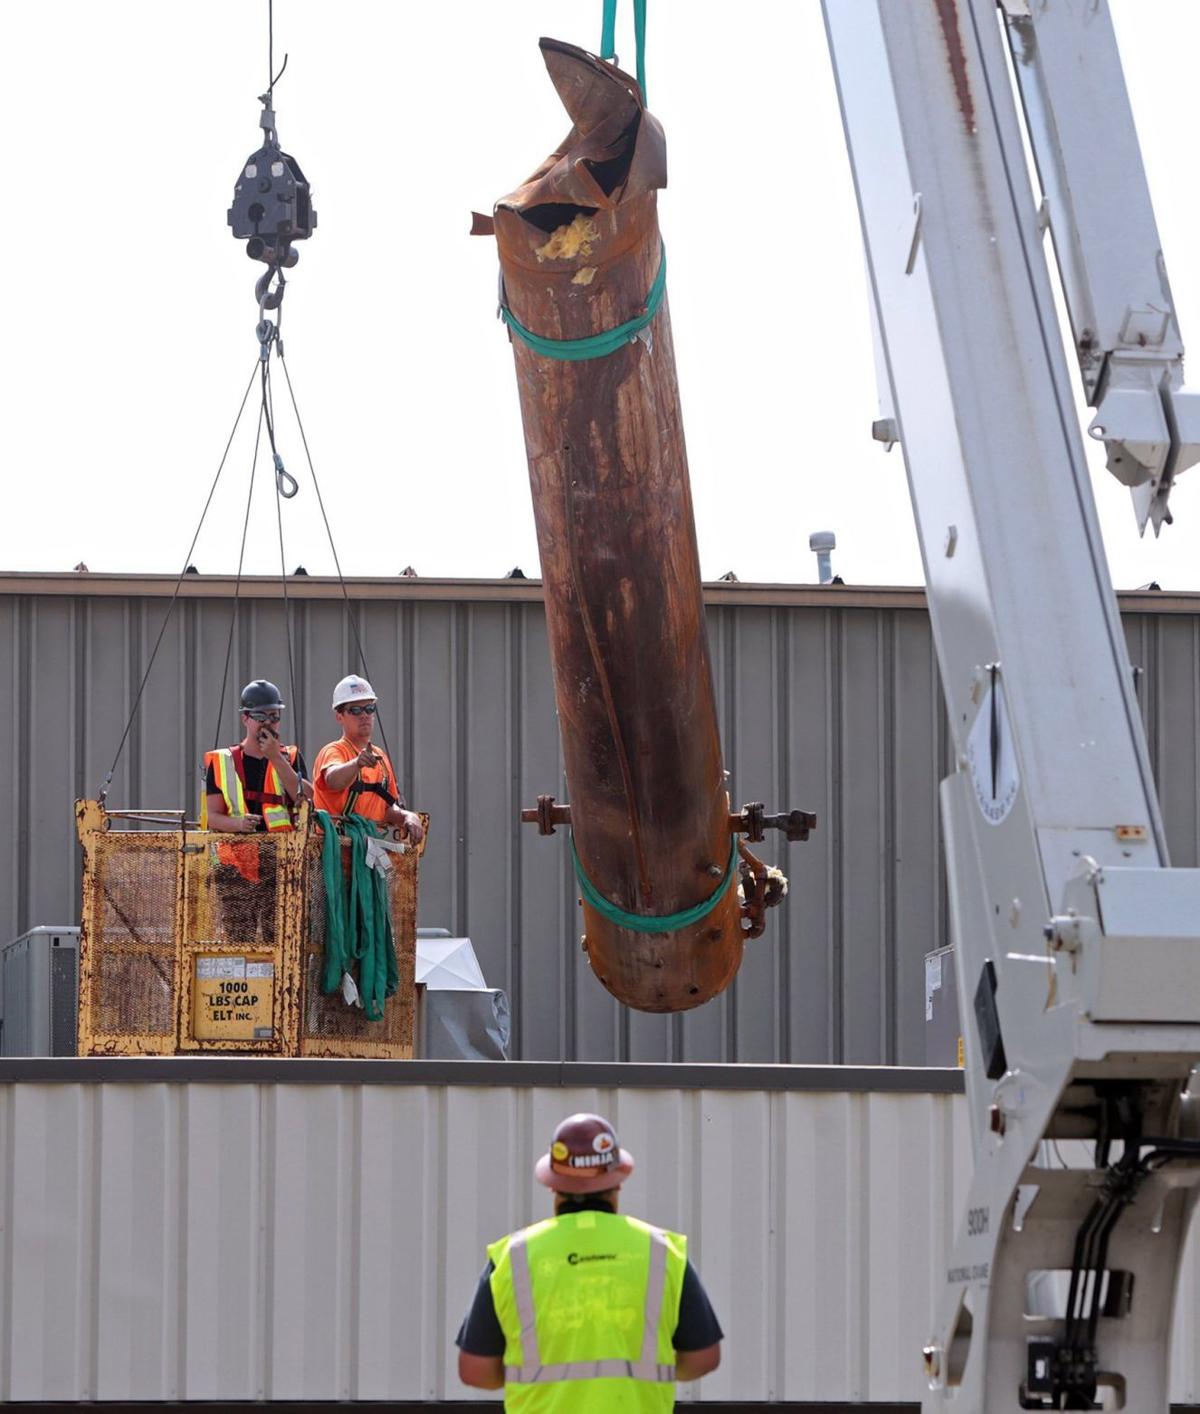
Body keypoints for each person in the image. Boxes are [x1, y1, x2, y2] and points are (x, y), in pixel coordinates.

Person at [457, 1112, 722, 1409]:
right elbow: (703, 1358)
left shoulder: (512, 1257)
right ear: (618, 1182)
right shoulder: (663, 1252)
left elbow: (475, 1371)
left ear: (553, 1185)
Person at [201, 680, 310, 937]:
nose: (268, 723)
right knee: (240, 939)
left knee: (281, 938)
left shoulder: (289, 757)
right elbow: (213, 816)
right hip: (235, 864)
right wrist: (238, 825)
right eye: (261, 716)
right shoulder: (222, 761)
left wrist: (275, 757)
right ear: (246, 719)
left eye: (274, 716)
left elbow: (305, 798)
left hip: (281, 862)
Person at [311, 674, 424, 843]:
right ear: (339, 716)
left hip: (369, 849)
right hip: (333, 850)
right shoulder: (334, 751)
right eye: (355, 710)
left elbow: (385, 809)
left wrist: (407, 816)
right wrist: (357, 763)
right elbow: (333, 780)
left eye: (369, 709)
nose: (364, 715)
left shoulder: (380, 758)